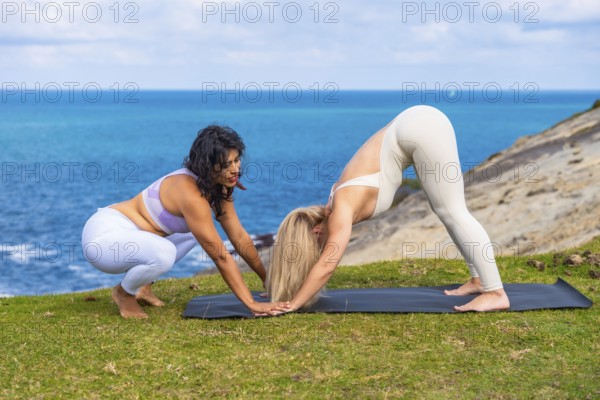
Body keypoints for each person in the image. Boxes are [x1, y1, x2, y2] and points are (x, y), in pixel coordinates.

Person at [268, 105, 511, 312]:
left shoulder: (339, 211)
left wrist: (294, 304)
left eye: (313, 250)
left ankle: (495, 293)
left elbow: (328, 264)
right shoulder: (335, 202)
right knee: (447, 211)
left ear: (315, 233)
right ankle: (480, 280)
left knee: (453, 212)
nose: (318, 253)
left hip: (421, 128)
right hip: (418, 124)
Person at [82, 125, 289, 318]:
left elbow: (239, 236)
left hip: (133, 238)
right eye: (226, 165)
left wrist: (266, 279)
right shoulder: (190, 194)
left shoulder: (218, 187)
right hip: (104, 239)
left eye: (237, 160)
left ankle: (143, 287)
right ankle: (124, 293)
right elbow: (220, 255)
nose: (235, 169)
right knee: (165, 253)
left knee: (194, 232)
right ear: (208, 166)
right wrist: (251, 304)